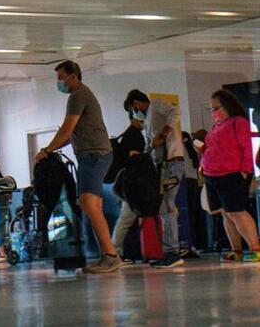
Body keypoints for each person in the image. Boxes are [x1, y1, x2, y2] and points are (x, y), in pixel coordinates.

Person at [35, 60, 120, 273]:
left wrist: (46, 151)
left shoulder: (78, 96)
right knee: (93, 205)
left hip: (94, 155)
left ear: (74, 76)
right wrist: (51, 148)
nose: (60, 83)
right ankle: (106, 254)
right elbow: (71, 136)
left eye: (61, 78)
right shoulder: (82, 96)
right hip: (92, 155)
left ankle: (111, 255)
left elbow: (66, 130)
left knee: (88, 202)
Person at [196, 89, 260, 262]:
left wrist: (245, 171)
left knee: (237, 211)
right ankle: (236, 250)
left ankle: (256, 248)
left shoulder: (238, 122)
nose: (214, 112)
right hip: (212, 176)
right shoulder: (216, 126)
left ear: (227, 106)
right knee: (225, 213)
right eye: (211, 109)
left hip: (231, 175)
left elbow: (247, 147)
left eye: (217, 107)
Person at [124, 89, 185, 268]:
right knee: (164, 206)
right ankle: (169, 250)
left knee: (167, 206)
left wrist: (163, 134)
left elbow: (175, 112)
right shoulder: (149, 120)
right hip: (162, 165)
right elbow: (151, 144)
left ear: (136, 103)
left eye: (132, 109)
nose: (135, 113)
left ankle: (172, 251)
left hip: (171, 162)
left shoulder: (157, 104)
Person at [110, 112, 146, 264]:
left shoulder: (126, 135)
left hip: (124, 183)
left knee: (126, 218)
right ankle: (114, 252)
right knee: (126, 218)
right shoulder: (134, 136)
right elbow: (134, 159)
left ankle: (118, 252)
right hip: (132, 183)